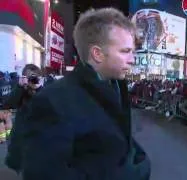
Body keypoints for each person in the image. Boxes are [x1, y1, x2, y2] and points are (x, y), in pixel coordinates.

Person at [6, 8, 150, 180]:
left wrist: (141, 163)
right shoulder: (53, 102)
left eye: (132, 51)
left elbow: (121, 141)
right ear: (97, 54)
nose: (132, 59)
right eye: (125, 51)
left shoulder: (117, 86)